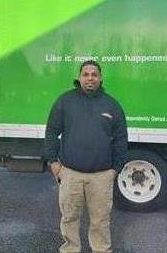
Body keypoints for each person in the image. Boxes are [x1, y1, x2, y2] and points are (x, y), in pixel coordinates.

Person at [43, 60, 128, 253]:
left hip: (102, 176)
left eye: (94, 74)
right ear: (79, 77)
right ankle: (70, 249)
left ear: (100, 78)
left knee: (100, 221)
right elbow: (51, 132)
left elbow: (121, 139)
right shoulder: (65, 101)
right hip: (70, 173)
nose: (90, 78)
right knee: (69, 218)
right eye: (86, 74)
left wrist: (115, 169)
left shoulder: (112, 105)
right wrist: (53, 162)